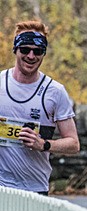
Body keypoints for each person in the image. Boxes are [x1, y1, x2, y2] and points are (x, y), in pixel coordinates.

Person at [0, 20, 80, 195]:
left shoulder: (55, 92)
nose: (31, 56)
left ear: (43, 54)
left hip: (35, 189)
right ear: (15, 50)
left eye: (38, 51)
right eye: (25, 50)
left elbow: (73, 144)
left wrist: (43, 144)